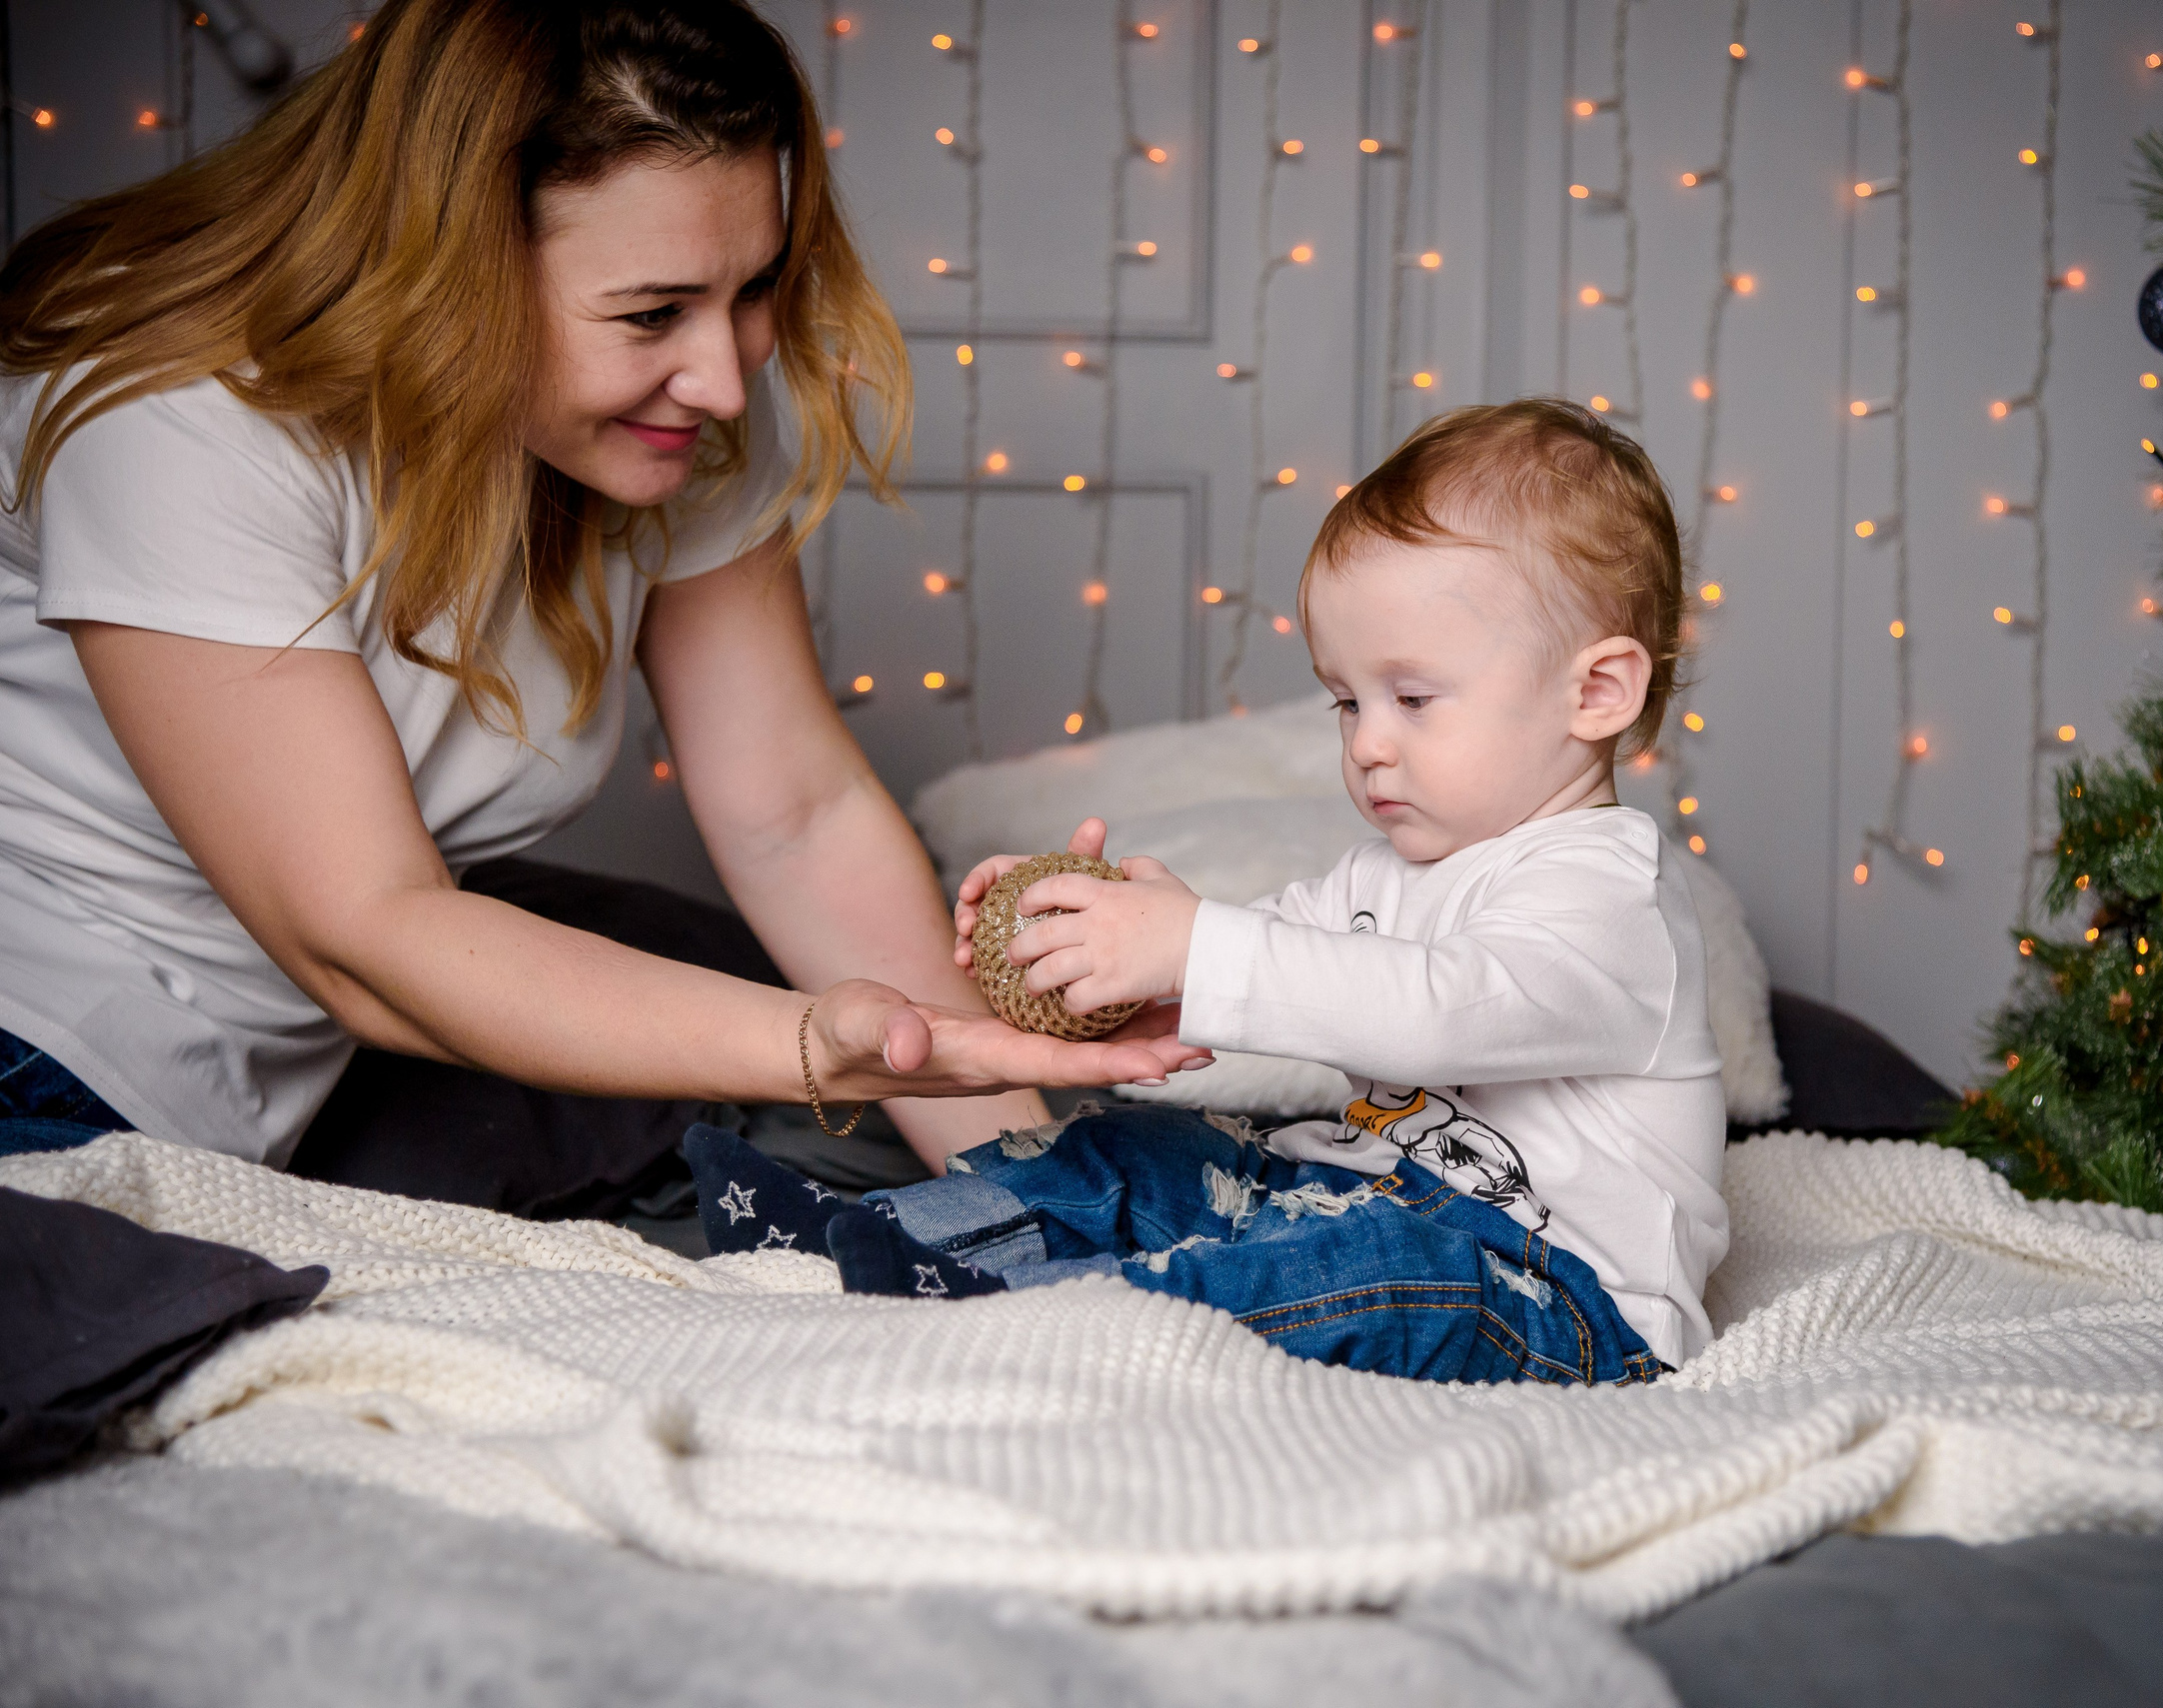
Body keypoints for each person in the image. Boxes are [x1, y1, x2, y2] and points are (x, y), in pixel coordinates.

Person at [0, 0, 1204, 1203]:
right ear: (447, 264)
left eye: (757, 287)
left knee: (765, 995)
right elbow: (362, 933)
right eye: (649, 315)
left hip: (318, 1043)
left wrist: (1029, 1177)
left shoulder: (678, 409)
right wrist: (811, 1046)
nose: (726, 380)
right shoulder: (171, 411)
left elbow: (795, 813)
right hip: (55, 1048)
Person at [683, 401, 1728, 1382]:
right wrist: (1122, 963)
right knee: (1136, 1152)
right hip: (1358, 1198)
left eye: (1412, 697)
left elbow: (1444, 1008)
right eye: (1345, 700)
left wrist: (1200, 946)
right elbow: (1283, 970)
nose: (1366, 741)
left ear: (1596, 690)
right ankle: (876, 1241)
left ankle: (1028, 1320)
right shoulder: (1388, 871)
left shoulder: (1614, 900)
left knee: (1327, 1274)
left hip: (1556, 1298)